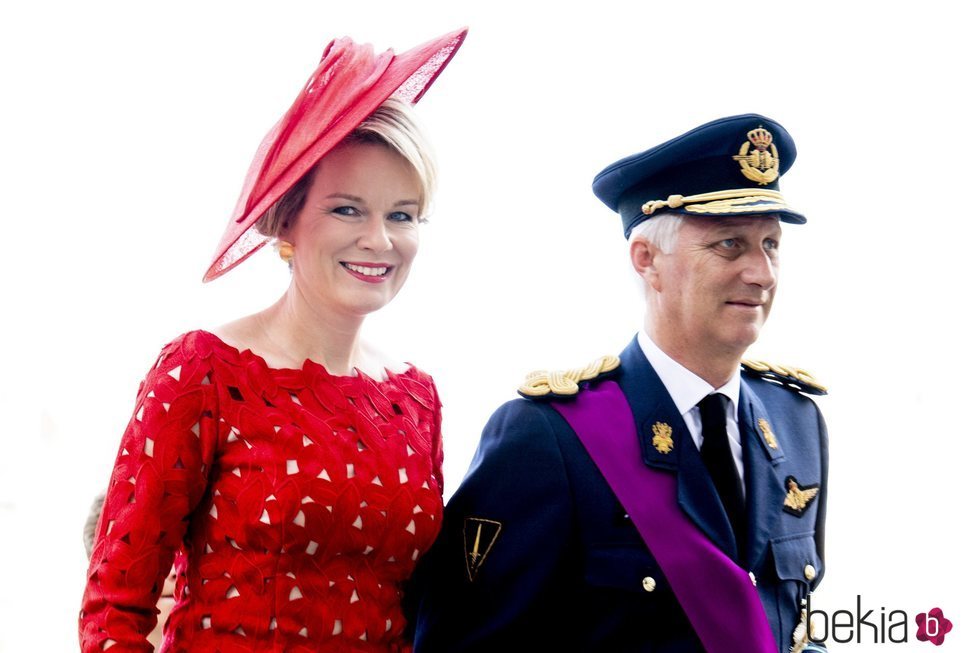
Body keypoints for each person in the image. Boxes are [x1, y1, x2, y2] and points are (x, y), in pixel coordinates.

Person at [79, 27, 467, 653]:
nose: (380, 239)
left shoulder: (416, 399)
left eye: (402, 214)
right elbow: (113, 613)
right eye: (347, 209)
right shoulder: (201, 369)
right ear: (287, 220)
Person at [413, 115, 829, 653]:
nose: (762, 272)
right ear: (647, 260)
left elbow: (792, 624)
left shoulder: (796, 420)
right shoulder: (549, 437)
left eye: (771, 244)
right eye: (730, 245)